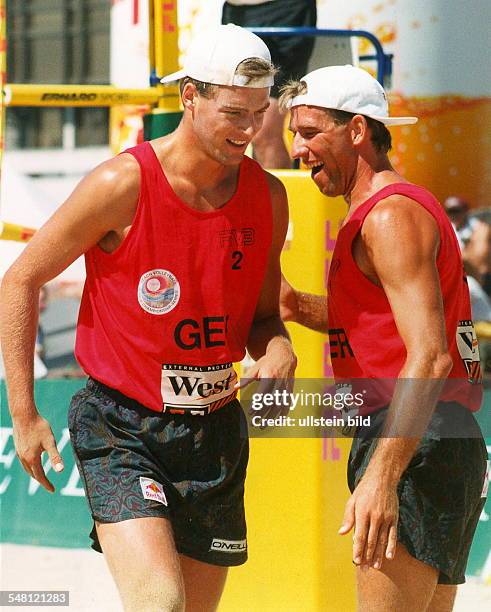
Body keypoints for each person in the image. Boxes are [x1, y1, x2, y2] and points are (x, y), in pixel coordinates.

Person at [0, 24, 296, 612]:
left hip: (215, 432)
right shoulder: (122, 181)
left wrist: (278, 347)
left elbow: (264, 317)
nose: (250, 130)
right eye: (234, 113)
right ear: (189, 96)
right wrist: (25, 410)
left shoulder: (268, 196)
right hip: (121, 426)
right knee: (160, 603)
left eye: (259, 114)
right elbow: (20, 279)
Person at [279, 65, 487, 611]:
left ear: (357, 131)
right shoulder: (393, 209)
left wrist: (381, 476)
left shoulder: (389, 216)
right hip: (440, 434)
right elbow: (384, 323)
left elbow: (431, 356)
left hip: (414, 434)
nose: (297, 149)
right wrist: (298, 307)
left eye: (309, 132)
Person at [222, 0, 317, 168]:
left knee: (264, 131)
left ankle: (277, 194)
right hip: (235, 12)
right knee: (225, 126)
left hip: (285, 11)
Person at [444, 195, 491, 296]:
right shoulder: (448, 229)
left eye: (457, 211)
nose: (453, 215)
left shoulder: (480, 228)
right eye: (450, 211)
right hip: (458, 282)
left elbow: (480, 262)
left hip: (478, 282)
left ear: (465, 211)